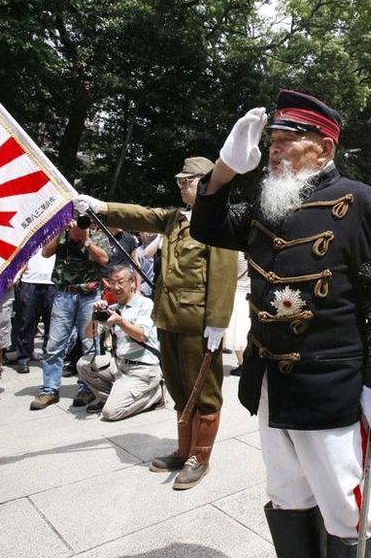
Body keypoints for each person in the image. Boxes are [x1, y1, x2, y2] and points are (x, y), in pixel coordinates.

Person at [190, 90, 371, 557]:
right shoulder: (269, 202)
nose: (275, 148)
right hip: (270, 381)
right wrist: (226, 166)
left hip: (330, 386)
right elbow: (206, 226)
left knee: (344, 507)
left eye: (289, 139)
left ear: (324, 148)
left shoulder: (363, 202)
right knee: (287, 495)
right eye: (273, 140)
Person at [75, 157, 236, 491]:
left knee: (203, 390)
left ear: (206, 182)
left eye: (186, 181)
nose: (180, 187)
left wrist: (218, 322)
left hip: (199, 322)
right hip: (169, 317)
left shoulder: (220, 220)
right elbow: (142, 213)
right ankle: (184, 449)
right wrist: (102, 206)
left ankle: (200, 458)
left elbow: (223, 274)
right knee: (179, 386)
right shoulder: (175, 219)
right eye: (179, 182)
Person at [30, 217, 111, 410]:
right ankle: (49, 390)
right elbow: (45, 252)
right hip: (64, 294)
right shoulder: (62, 237)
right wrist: (59, 231)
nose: (78, 224)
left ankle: (88, 387)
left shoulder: (97, 236)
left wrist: (85, 239)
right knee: (54, 343)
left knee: (89, 344)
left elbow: (103, 259)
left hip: (89, 295)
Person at [76, 264, 163, 420]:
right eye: (112, 282)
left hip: (142, 369)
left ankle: (155, 395)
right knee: (83, 364)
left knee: (110, 413)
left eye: (121, 282)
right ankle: (109, 397)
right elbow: (89, 335)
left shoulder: (145, 304)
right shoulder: (113, 308)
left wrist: (121, 322)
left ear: (132, 283)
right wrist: (94, 315)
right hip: (119, 366)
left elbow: (142, 335)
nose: (116, 287)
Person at [11, 248, 57, 374]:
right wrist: (18, 274)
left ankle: (49, 357)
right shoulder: (31, 235)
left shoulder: (58, 234)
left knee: (51, 323)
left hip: (52, 282)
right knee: (26, 322)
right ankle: (23, 358)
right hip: (29, 282)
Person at [224, 251, 251, 376]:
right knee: (245, 332)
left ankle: (243, 364)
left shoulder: (237, 255)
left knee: (238, 335)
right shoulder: (253, 253)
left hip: (238, 293)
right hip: (250, 294)